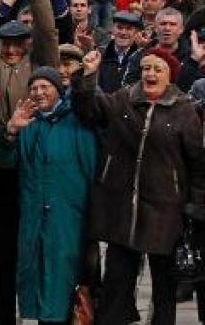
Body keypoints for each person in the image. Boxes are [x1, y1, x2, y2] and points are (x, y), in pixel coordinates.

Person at [74, 47, 205, 325]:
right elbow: (88, 111)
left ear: (170, 76)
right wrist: (88, 76)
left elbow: (197, 163)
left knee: (164, 289)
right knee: (116, 284)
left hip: (165, 214)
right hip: (122, 211)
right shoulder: (124, 99)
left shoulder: (184, 110)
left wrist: (195, 207)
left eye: (157, 69)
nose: (150, 74)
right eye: (146, 68)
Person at [0, 0, 58, 325]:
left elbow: (49, 34)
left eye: (17, 42)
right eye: (5, 43)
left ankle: (43, 313)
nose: (10, 49)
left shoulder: (39, 66)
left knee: (37, 246)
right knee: (1, 251)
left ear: (26, 43)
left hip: (34, 164)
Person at [0, 67, 98, 324]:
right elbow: (3, 160)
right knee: (39, 281)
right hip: (34, 215)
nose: (38, 92)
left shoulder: (78, 120)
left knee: (68, 282)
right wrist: (10, 132)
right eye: (33, 88)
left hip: (69, 215)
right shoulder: (28, 123)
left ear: (58, 90)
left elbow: (92, 166)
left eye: (44, 87)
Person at [98, 11, 144, 93]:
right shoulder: (99, 55)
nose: (123, 33)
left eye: (128, 29)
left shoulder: (140, 58)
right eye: (119, 27)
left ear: (136, 33)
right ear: (112, 30)